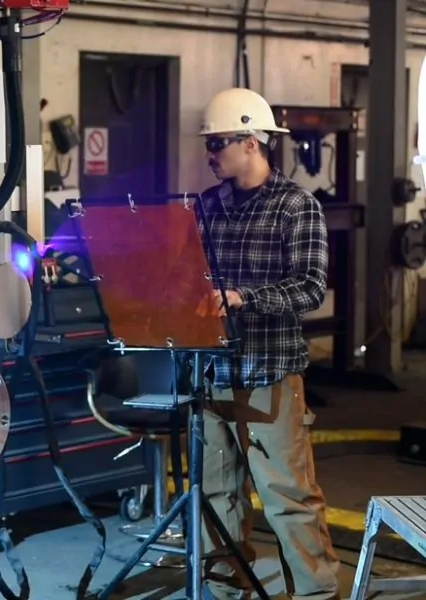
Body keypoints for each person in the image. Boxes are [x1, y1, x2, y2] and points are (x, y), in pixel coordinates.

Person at [195, 87, 341, 600]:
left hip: (269, 374)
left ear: (252, 142)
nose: (210, 155)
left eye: (218, 144)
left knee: (286, 495)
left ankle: (315, 594)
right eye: (208, 146)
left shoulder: (296, 207)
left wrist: (241, 297)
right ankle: (226, 592)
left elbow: (310, 286)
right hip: (212, 373)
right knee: (217, 494)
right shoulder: (207, 207)